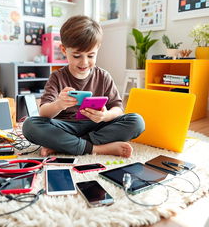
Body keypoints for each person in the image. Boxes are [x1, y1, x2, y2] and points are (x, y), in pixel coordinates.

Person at [22, 15, 145, 158]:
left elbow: (118, 109)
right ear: (63, 50)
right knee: (29, 125)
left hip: (96, 127)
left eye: (91, 56)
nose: (84, 62)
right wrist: (59, 105)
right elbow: (44, 113)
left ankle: (63, 145)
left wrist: (105, 116)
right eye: (76, 56)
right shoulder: (57, 77)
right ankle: (98, 149)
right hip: (65, 127)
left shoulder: (103, 76)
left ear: (98, 49)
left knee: (137, 121)